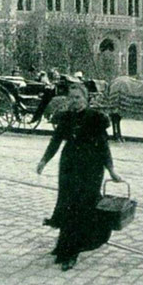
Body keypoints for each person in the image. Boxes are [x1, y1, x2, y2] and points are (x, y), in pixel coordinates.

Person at [36, 84, 122, 271]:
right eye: (71, 98)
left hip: (90, 168)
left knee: (82, 209)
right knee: (67, 205)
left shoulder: (96, 118)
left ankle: (72, 252)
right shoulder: (66, 117)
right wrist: (44, 161)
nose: (74, 101)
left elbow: (104, 147)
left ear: (85, 98)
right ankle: (63, 246)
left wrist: (112, 170)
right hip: (68, 166)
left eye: (77, 97)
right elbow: (55, 141)